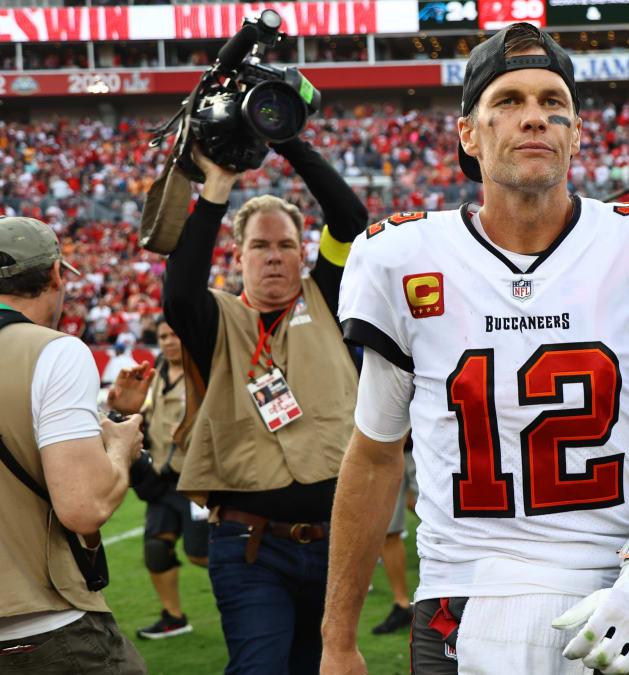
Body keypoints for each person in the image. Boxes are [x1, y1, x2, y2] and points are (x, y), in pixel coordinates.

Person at [322, 22, 629, 675]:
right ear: (469, 134)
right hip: (462, 592)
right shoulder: (399, 257)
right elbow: (372, 458)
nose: (534, 117)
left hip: (612, 592)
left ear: (575, 131)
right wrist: (337, 639)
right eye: (508, 101)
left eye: (551, 102)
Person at [160, 133, 367, 673]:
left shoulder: (328, 294)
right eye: (260, 246)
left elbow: (349, 217)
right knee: (259, 667)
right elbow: (180, 293)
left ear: (304, 252)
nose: (274, 257)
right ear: (238, 253)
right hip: (248, 545)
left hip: (333, 543)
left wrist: (288, 140)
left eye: (285, 246)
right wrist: (216, 189)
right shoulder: (215, 319)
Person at [0, 216, 147, 673]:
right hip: (41, 623)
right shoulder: (55, 350)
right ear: (57, 274)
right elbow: (83, 508)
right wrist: (121, 445)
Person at [108, 318, 210, 640]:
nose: (168, 340)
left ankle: (260, 593)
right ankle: (173, 617)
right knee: (155, 548)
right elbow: (144, 419)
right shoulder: (157, 373)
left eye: (175, 334)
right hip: (162, 479)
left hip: (198, 480)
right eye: (163, 335)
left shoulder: (207, 370)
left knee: (201, 553)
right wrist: (124, 413)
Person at [370, 437, 416, 636]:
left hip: (426, 444)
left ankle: (457, 598)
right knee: (387, 529)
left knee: (446, 521)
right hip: (386, 448)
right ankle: (402, 605)